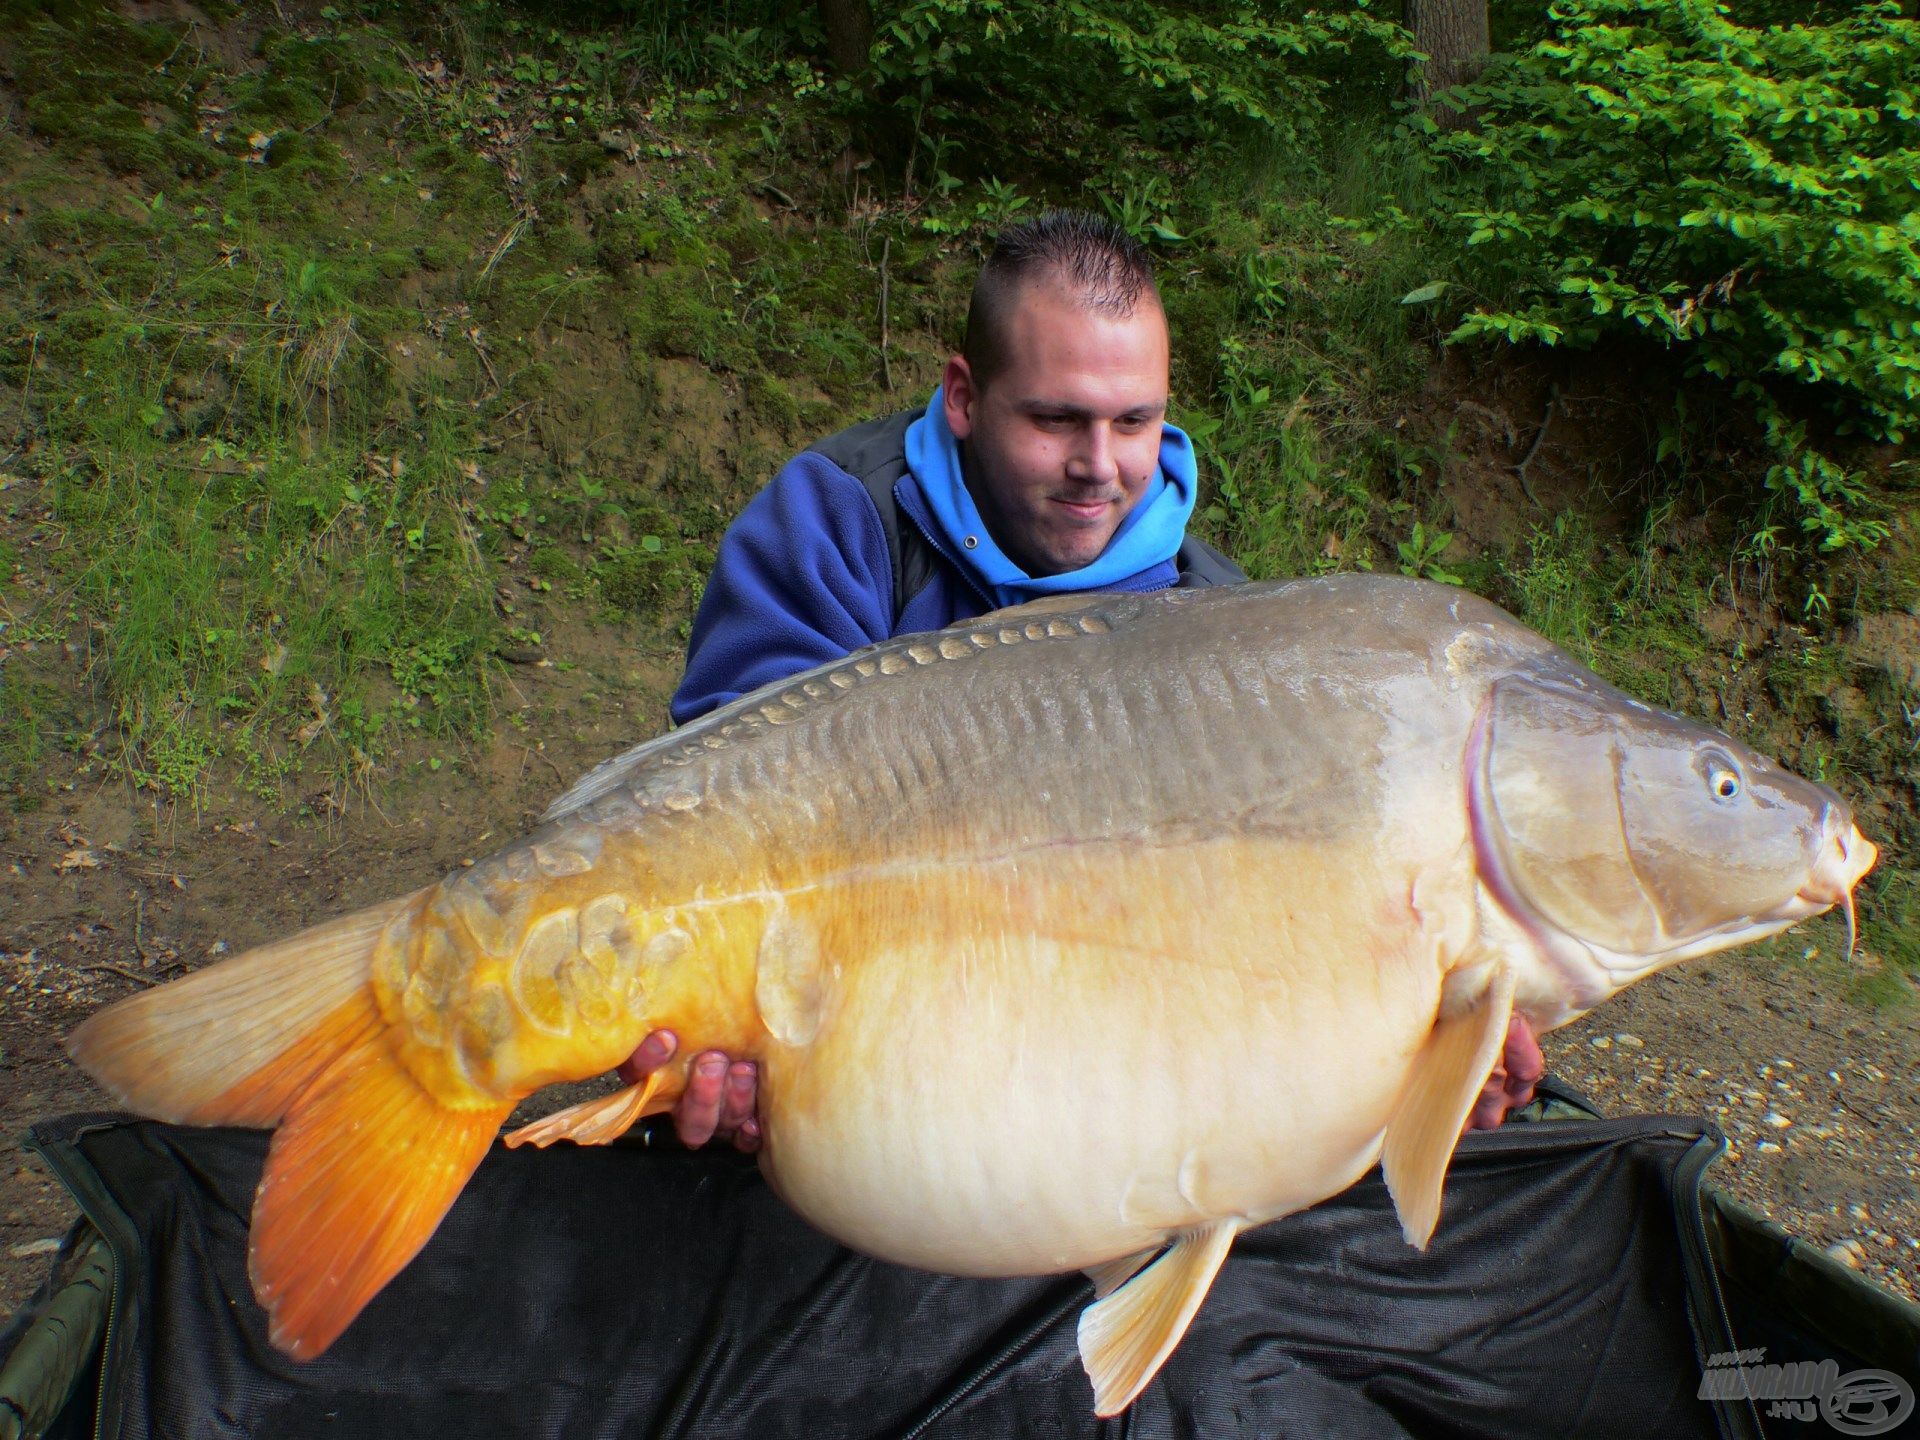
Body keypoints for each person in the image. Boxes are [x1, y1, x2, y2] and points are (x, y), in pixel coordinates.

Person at [615, 210, 1542, 1151]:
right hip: (847, 1013)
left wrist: (1430, 1062)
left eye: (1134, 421)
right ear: (965, 396)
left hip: (1070, 1066)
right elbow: (714, 824)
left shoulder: (1220, 630)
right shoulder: (842, 518)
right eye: (1057, 419)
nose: (1099, 467)